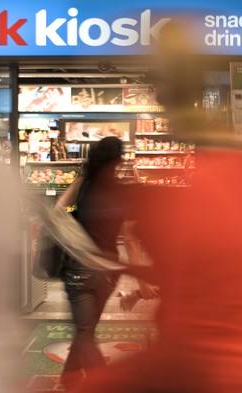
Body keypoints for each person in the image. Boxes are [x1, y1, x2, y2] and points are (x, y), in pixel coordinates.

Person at [67, 20, 242, 393]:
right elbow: (222, 274)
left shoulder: (212, 183)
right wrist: (139, 274)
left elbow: (202, 333)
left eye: (162, 88)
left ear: (177, 95)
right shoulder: (240, 171)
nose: (157, 99)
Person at [55, 137, 157, 390]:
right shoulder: (125, 192)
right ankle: (78, 380)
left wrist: (77, 228)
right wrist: (141, 281)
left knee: (85, 331)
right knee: (86, 330)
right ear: (118, 161)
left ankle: (91, 381)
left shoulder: (83, 183)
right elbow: (131, 241)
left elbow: (58, 211)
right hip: (108, 270)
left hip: (79, 266)